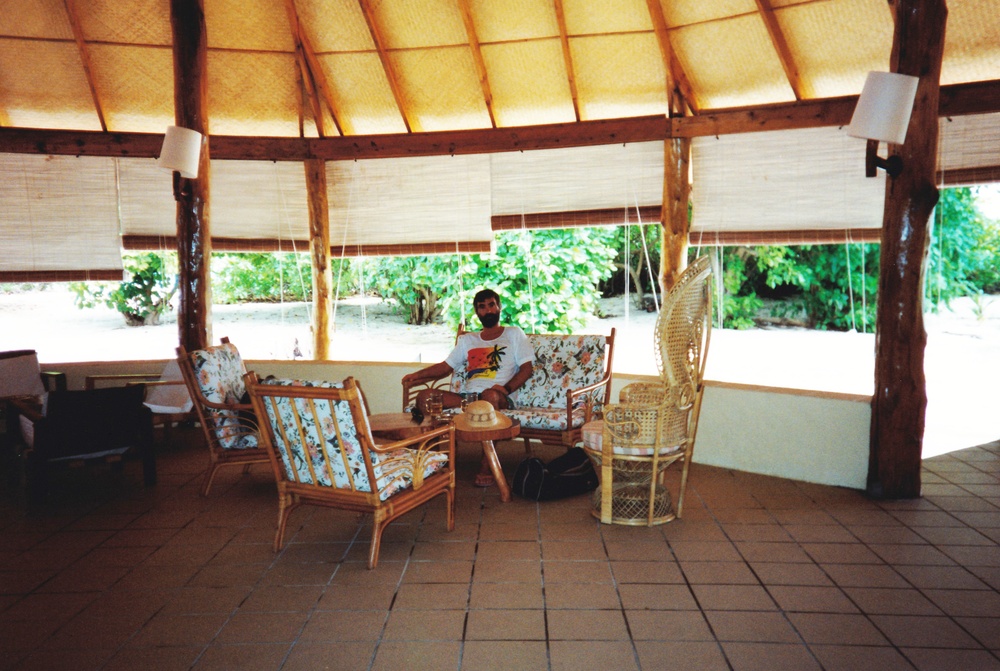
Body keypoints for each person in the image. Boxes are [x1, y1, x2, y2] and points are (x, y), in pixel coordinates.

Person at [402, 288, 534, 486]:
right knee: (424, 397)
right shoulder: (468, 340)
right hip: (468, 398)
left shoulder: (514, 334)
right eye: (482, 307)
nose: (488, 310)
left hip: (498, 398)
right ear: (477, 312)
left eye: (492, 305)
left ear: (499, 307)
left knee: (489, 397)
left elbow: (526, 369)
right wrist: (416, 375)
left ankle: (486, 464)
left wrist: (505, 390)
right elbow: (445, 367)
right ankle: (436, 459)